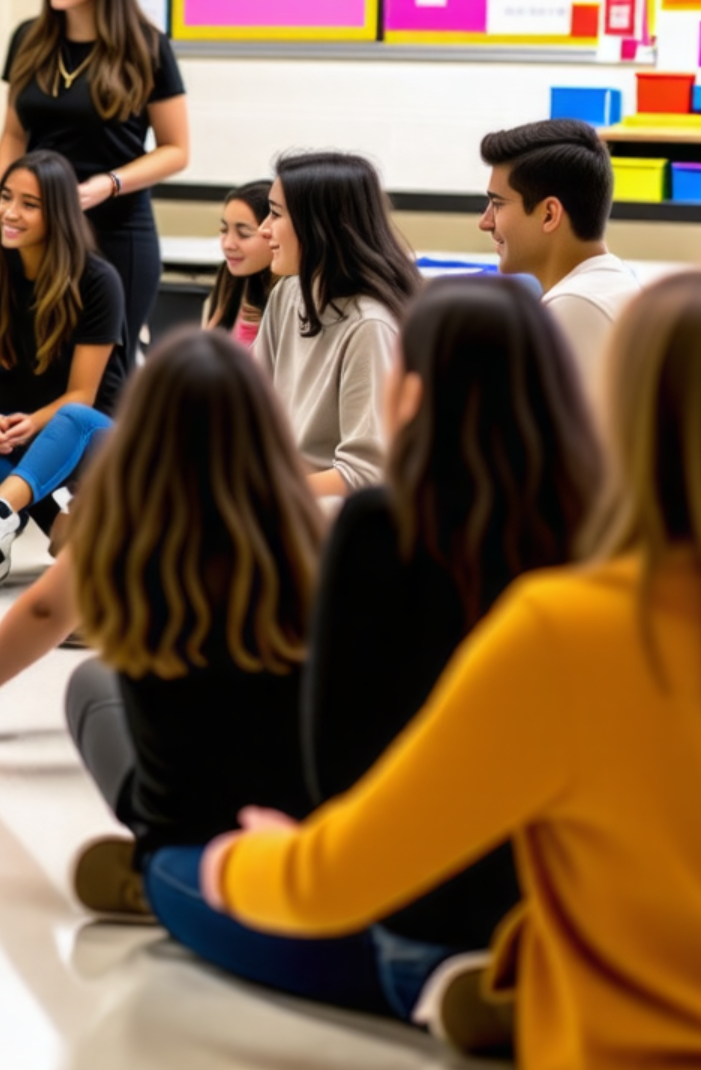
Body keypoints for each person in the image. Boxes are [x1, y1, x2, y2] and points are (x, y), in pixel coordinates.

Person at [154, 272, 701, 1068]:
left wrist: (247, 859)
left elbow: (333, 859)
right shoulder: (580, 551)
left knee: (178, 866)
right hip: (528, 913)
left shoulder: (568, 624)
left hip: (535, 982)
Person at [298, 275, 600, 1023]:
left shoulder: (380, 524)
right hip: (562, 912)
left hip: (411, 912)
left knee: (180, 869)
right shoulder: (598, 523)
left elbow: (332, 767)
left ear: (413, 389)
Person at [59, 328, 322, 921]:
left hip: (185, 822)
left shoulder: (123, 556)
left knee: (89, 683)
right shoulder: (312, 549)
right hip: (297, 821)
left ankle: (158, 866)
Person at [0, 150, 127, 601]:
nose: (9, 213)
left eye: (29, 204)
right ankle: (39, 526)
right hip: (18, 429)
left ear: (58, 213)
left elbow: (83, 395)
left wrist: (31, 423)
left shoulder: (98, 279)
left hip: (93, 435)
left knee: (71, 415)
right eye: (6, 197)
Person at [0, 0, 190, 357]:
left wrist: (110, 184)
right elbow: (12, 135)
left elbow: (176, 149)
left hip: (116, 229)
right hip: (38, 229)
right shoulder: (27, 39)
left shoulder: (146, 46)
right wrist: (11, 197)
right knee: (34, 363)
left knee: (108, 376)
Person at [256, 151, 420, 497]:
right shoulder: (287, 293)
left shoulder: (369, 325)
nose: (263, 229)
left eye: (275, 214)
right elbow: (248, 407)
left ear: (320, 225)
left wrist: (263, 494)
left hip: (324, 512)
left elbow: (366, 474)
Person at [479, 118, 640, 394]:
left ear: (550, 214)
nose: (485, 222)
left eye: (497, 204)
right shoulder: (607, 284)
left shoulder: (575, 306)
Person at [202, 179, 275, 346]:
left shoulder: (291, 296)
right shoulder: (230, 277)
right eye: (224, 230)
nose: (228, 244)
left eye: (244, 233)